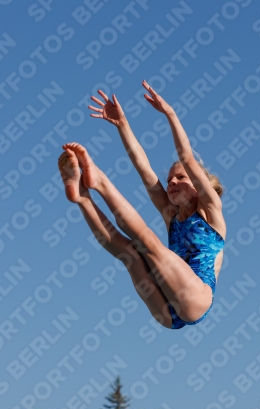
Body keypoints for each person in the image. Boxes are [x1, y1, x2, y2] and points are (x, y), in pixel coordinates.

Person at [58, 81, 226, 329]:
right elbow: (142, 166)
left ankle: (100, 181)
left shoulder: (210, 211)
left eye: (181, 177)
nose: (172, 182)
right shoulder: (171, 213)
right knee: (128, 253)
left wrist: (170, 114)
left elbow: (186, 157)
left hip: (195, 301)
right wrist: (122, 126)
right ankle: (82, 198)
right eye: (169, 180)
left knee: (149, 244)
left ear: (199, 186)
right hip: (166, 313)